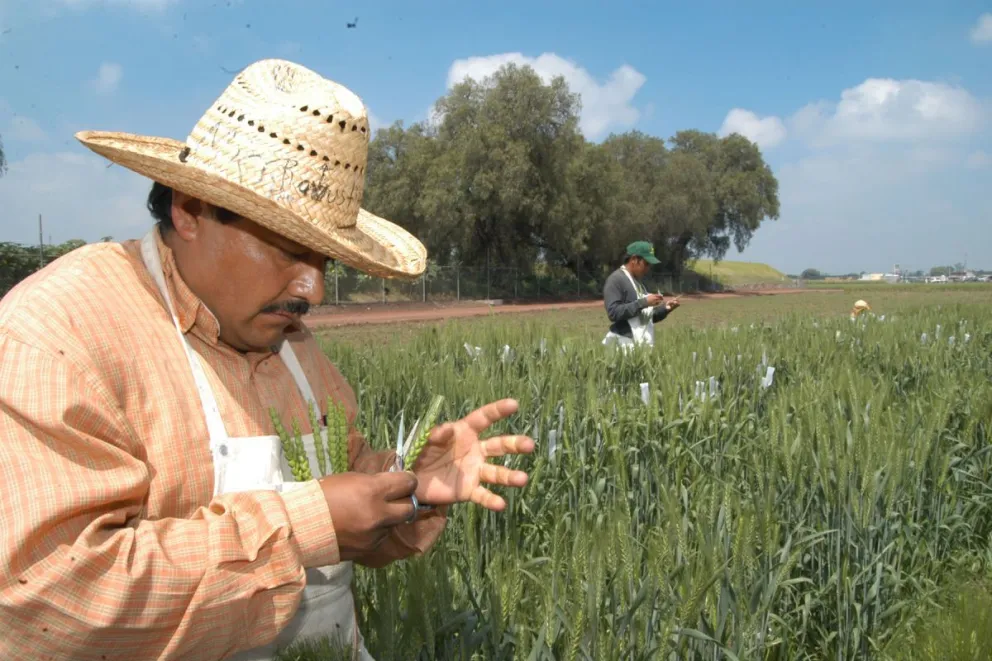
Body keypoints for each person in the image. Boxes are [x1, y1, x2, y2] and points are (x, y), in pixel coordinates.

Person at [0, 59, 535, 661]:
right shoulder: (59, 333)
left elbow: (349, 500)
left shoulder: (295, 347)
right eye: (289, 250)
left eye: (326, 261)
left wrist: (413, 487)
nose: (314, 291)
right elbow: (43, 601)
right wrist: (307, 526)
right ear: (190, 209)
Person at [601, 240, 681, 349]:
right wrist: (644, 302)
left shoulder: (638, 284)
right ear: (634, 259)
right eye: (646, 263)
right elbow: (613, 313)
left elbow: (644, 318)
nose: (648, 268)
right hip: (623, 346)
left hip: (639, 348)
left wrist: (666, 308)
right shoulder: (616, 280)